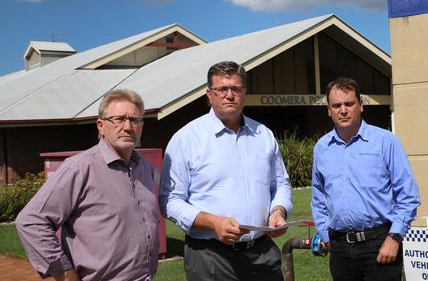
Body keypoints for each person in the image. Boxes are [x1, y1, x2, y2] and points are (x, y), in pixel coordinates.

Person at [160, 60, 292, 281]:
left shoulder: (264, 135)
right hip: (210, 257)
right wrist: (212, 222)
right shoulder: (186, 139)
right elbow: (169, 200)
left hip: (261, 253)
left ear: (244, 92)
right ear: (209, 94)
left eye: (236, 89)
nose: (229, 95)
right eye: (222, 89)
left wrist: (278, 211)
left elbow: (280, 183)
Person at [16, 89, 159, 281]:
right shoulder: (79, 168)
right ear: (100, 125)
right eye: (118, 119)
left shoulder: (145, 168)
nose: (127, 127)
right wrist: (65, 274)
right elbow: (31, 221)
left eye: (135, 120)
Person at [311, 77, 421, 281]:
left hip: (379, 244)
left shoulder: (385, 142)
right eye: (336, 105)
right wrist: (325, 234)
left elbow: (408, 195)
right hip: (340, 248)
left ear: (360, 105)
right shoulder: (322, 148)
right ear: (329, 110)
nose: (343, 110)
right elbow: (318, 196)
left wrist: (395, 237)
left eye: (349, 103)